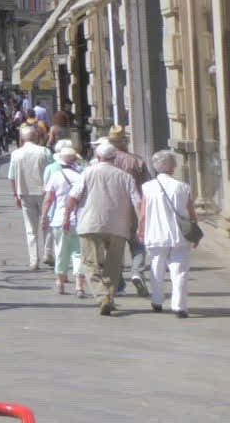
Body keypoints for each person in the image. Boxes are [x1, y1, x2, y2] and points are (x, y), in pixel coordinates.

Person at [68, 140, 144, 316]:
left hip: (90, 224)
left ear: (98, 156)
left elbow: (73, 197)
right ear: (114, 157)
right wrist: (141, 224)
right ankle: (108, 296)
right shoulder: (125, 177)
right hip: (118, 226)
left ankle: (103, 296)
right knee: (114, 264)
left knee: (90, 263)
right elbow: (138, 202)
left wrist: (66, 217)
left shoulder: (87, 172)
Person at [140, 149, 196, 318]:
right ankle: (179, 306)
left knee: (156, 268)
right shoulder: (182, 187)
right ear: (172, 167)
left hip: (156, 233)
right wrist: (195, 231)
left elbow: (143, 213)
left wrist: (141, 230)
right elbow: (191, 211)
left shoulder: (147, 187)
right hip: (179, 235)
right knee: (179, 271)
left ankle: (157, 300)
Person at [106, 125, 153, 297]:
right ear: (125, 141)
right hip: (134, 208)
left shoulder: (104, 162)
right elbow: (147, 186)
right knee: (138, 244)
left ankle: (118, 283)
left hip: (112, 209)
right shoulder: (137, 161)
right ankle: (137, 272)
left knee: (114, 247)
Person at [42, 141, 88, 296]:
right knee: (78, 253)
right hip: (79, 220)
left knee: (61, 251)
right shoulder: (81, 176)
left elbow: (48, 199)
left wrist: (44, 216)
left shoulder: (55, 176)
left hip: (59, 219)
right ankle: (79, 286)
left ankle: (60, 283)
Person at [7, 125, 52, 271]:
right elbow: (53, 171)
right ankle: (48, 253)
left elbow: (12, 177)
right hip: (44, 192)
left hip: (25, 193)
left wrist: (16, 195)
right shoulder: (44, 151)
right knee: (47, 224)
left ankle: (34, 260)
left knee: (30, 229)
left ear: (22, 139)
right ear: (36, 137)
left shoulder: (16, 154)